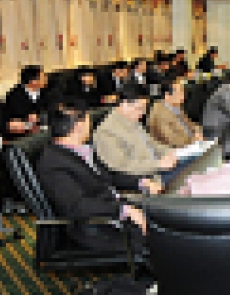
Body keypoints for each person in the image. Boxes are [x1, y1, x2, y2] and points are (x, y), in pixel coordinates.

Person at [35, 98, 162, 254]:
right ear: (79, 126)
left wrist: (141, 183)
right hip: (97, 227)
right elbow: (78, 207)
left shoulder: (81, 150)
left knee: (169, 220)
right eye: (89, 120)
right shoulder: (53, 163)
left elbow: (109, 176)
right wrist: (123, 210)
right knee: (167, 240)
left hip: (113, 211)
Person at [93, 84, 178, 177]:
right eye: (140, 108)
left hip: (155, 171)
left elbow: (151, 144)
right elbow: (122, 165)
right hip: (142, 178)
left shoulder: (132, 119)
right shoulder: (106, 132)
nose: (143, 113)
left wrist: (170, 152)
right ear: (124, 104)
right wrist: (157, 164)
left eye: (145, 108)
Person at [147, 79, 205, 148]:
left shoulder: (174, 105)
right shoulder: (160, 114)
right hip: (181, 149)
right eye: (180, 92)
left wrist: (198, 131)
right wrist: (194, 140)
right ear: (167, 96)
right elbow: (173, 140)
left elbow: (190, 123)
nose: (184, 95)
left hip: (193, 143)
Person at [4, 65, 50, 138]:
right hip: (21, 134)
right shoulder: (14, 95)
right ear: (33, 81)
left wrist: (39, 118)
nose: (46, 79)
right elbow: (16, 117)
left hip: (42, 129)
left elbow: (50, 109)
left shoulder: (46, 92)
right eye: (43, 77)